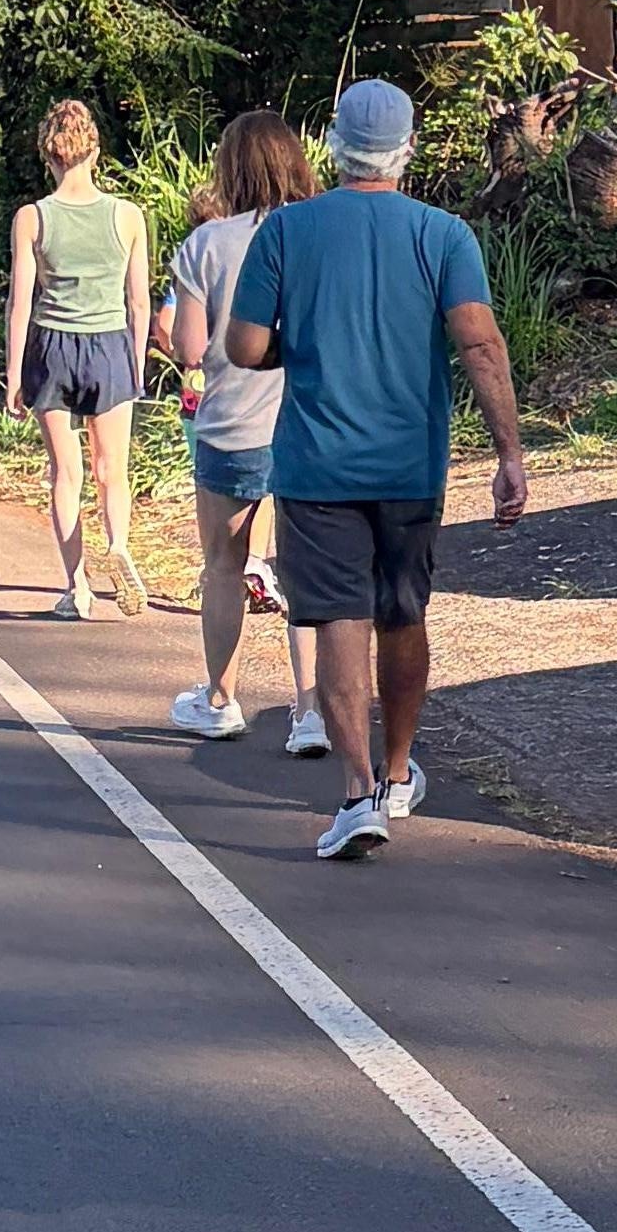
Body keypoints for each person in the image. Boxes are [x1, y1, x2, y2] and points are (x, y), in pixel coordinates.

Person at [222, 73, 530, 860]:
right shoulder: (444, 235)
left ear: (332, 144)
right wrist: (508, 454)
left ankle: (358, 795)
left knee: (337, 622)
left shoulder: (287, 233)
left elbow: (245, 347)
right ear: (408, 149)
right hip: (409, 467)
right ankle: (397, 773)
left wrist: (305, 343)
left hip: (316, 467)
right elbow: (481, 345)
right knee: (404, 614)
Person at [163, 110, 326, 755]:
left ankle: (221, 698)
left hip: (231, 425)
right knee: (304, 569)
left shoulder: (208, 243)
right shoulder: (318, 233)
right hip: (311, 425)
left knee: (223, 566)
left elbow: (192, 346)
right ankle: (310, 710)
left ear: (230, 167)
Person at [0, 98, 153, 618]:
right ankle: (120, 548)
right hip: (110, 345)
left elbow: (21, 303)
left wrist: (13, 374)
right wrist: (137, 363)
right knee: (114, 470)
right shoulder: (127, 216)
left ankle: (77, 588)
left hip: (52, 347)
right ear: (95, 151)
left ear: (49, 154)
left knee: (66, 473)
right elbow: (139, 300)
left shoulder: (32, 218)